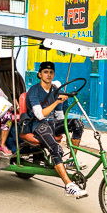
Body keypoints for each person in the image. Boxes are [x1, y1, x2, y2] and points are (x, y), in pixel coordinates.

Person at [24, 61, 87, 198]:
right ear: (40, 74)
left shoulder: (55, 90)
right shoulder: (33, 91)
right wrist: (57, 101)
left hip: (52, 123)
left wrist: (63, 123)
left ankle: (71, 160)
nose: (49, 74)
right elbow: (40, 115)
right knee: (56, 148)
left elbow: (59, 116)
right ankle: (69, 186)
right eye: (45, 72)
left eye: (51, 72)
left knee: (77, 124)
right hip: (38, 125)